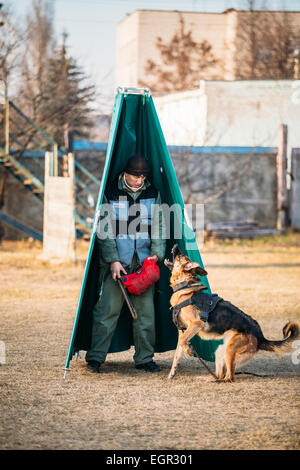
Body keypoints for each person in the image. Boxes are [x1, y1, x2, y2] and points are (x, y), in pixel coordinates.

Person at [85, 154, 166, 373]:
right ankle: (95, 358)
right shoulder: (110, 192)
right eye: (135, 176)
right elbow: (105, 230)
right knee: (106, 313)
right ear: (125, 174)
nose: (139, 180)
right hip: (117, 265)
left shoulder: (153, 193)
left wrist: (156, 255)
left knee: (146, 316)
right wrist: (112, 260)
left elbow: (158, 226)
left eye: (143, 177)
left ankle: (144, 359)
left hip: (143, 264)